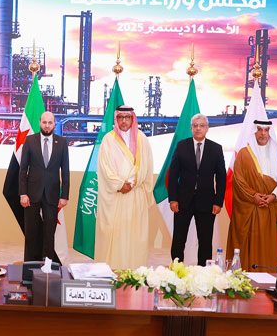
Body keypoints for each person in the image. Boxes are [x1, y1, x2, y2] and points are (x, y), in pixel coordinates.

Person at [94, 106, 154, 269]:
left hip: (135, 194)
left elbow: (146, 165)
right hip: (116, 195)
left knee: (134, 235)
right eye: (121, 117)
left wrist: (132, 183)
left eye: (128, 117)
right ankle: (111, 270)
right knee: (115, 234)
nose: (124, 121)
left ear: (133, 119)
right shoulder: (108, 139)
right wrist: (120, 184)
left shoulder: (142, 139)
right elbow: (105, 167)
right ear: (116, 119)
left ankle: (134, 270)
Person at [227, 119, 277, 270]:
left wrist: (273, 196)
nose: (263, 133)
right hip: (249, 208)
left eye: (266, 130)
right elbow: (238, 180)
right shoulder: (244, 154)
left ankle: (265, 276)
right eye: (259, 130)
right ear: (254, 132)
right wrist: (253, 196)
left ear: (270, 132)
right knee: (245, 245)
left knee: (265, 246)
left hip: (269, 208)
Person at [168, 113, 227, 265]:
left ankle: (203, 273)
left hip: (207, 202)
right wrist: (173, 199)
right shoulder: (181, 146)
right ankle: (177, 270)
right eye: (195, 125)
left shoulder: (216, 148)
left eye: (202, 125)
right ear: (191, 128)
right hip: (183, 201)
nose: (198, 128)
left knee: (205, 241)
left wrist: (218, 202)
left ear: (207, 128)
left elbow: (221, 177)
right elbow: (173, 175)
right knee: (179, 239)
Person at [19, 111, 70, 261]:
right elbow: (23, 169)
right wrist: (23, 193)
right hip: (31, 195)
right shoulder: (30, 140)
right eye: (44, 122)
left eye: (50, 123)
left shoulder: (62, 142)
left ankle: (47, 267)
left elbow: (65, 171)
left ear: (54, 124)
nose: (47, 126)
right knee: (31, 233)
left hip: (52, 195)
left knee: (49, 234)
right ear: (40, 123)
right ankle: (29, 266)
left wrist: (64, 195)